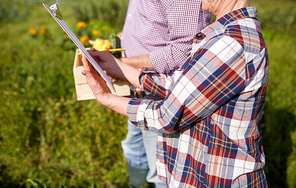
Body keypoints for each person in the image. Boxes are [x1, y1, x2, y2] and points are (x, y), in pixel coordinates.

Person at [82, 0, 269, 186]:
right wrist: (121, 68)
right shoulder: (223, 34)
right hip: (206, 173)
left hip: (220, 178)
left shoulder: (229, 44)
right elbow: (181, 84)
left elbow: (165, 116)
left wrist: (106, 97)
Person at [103, 0, 210, 187]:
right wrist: (113, 42)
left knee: (162, 171)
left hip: (163, 96)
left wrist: (121, 65)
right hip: (138, 89)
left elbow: (183, 52)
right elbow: (147, 25)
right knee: (134, 146)